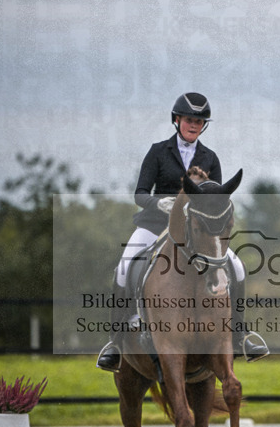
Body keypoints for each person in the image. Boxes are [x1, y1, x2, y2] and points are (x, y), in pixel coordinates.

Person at [96, 92, 269, 371]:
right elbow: (140, 193)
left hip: (197, 231)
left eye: (199, 122)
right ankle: (115, 342)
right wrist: (158, 203)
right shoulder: (157, 151)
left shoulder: (210, 158)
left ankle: (240, 335)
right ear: (177, 120)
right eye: (189, 120)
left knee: (237, 268)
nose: (194, 125)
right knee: (124, 267)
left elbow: (216, 197)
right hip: (155, 225)